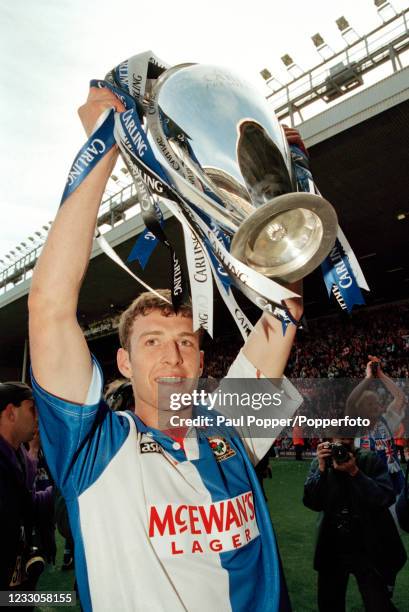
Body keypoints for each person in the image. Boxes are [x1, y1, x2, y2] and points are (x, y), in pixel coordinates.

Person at [28, 86, 304, 612]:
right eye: (151, 342)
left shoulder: (234, 430)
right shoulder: (92, 452)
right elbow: (48, 308)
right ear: (124, 362)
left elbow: (283, 309)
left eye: (185, 342)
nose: (173, 356)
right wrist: (104, 149)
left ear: (203, 361)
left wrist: (284, 190)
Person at [303, 437, 407, 612]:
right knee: (329, 603)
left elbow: (385, 497)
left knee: (378, 602)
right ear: (330, 439)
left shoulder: (369, 459)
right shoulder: (321, 462)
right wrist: (321, 470)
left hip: (367, 544)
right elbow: (312, 502)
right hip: (332, 544)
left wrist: (355, 472)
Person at [0, 382, 53, 599]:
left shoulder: (18, 455)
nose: (38, 417)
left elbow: (27, 505)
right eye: (32, 409)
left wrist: (60, 494)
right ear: (11, 413)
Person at [346, 356, 406, 494]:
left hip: (394, 485)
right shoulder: (355, 427)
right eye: (369, 403)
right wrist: (368, 378)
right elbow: (350, 403)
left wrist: (380, 374)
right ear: (360, 409)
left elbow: (400, 397)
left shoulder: (386, 421)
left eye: (376, 403)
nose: (375, 406)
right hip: (367, 487)